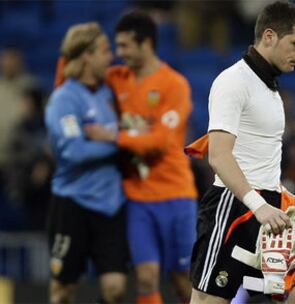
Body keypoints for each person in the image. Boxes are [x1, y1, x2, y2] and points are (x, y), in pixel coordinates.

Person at [187, 1, 295, 303]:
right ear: (269, 36)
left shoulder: (270, 88)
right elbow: (219, 156)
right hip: (233, 208)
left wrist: (276, 198)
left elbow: (259, 157)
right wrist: (258, 205)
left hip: (270, 212)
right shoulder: (234, 82)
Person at [81, 11, 198, 304]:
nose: (118, 54)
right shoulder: (116, 79)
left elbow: (160, 142)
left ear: (145, 44)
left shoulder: (174, 85)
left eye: (124, 46)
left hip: (176, 195)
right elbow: (71, 77)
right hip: (136, 198)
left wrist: (113, 135)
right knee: (145, 277)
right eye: (115, 47)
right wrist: (76, 46)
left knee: (183, 280)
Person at [45, 23, 128, 304]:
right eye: (104, 51)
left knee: (115, 289)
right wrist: (120, 140)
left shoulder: (109, 94)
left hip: (110, 204)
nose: (111, 57)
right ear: (86, 56)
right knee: (63, 290)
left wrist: (112, 136)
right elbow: (74, 152)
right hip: (73, 203)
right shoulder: (63, 100)